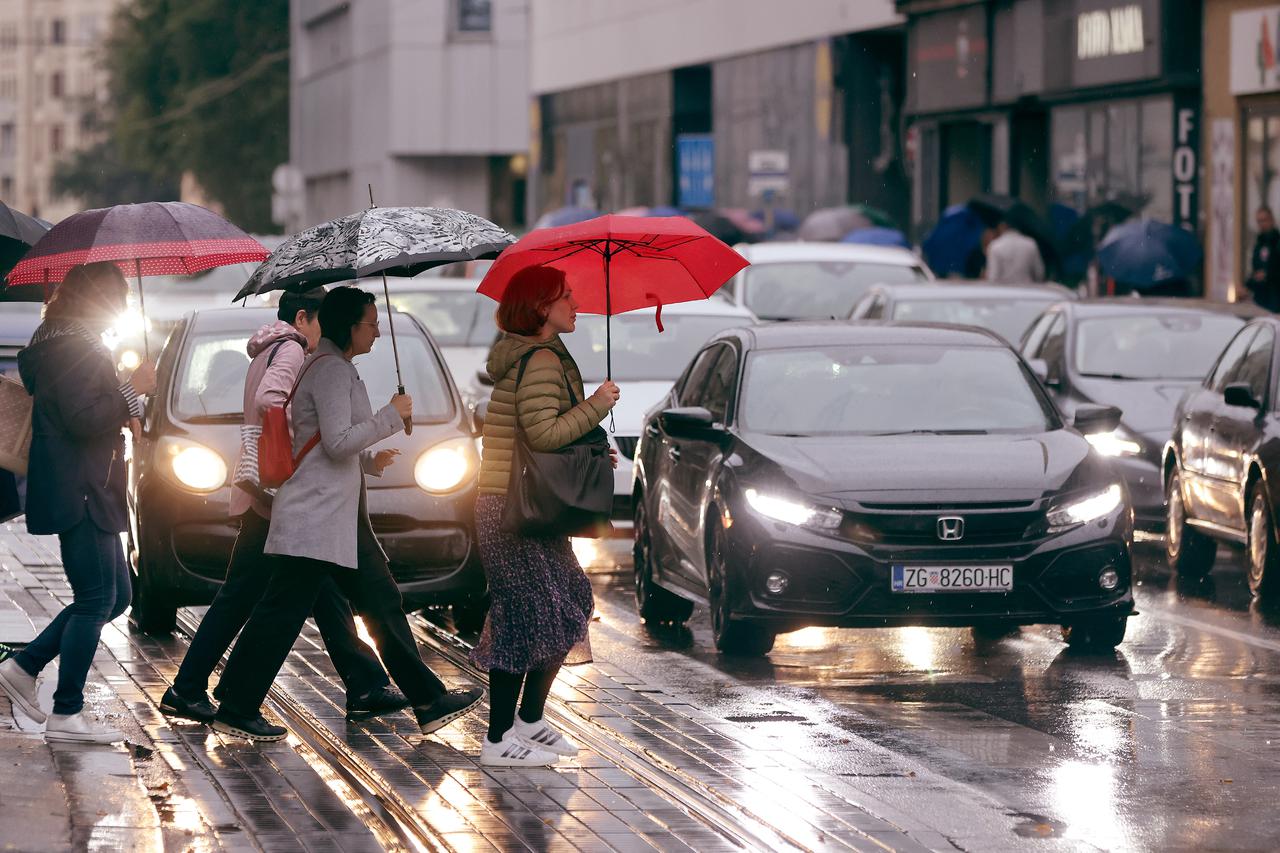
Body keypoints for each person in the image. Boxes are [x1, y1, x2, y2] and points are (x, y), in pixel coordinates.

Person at [210, 287, 481, 741]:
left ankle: (428, 700)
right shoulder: (331, 371)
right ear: (349, 327)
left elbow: (327, 443)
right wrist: (390, 416)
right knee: (283, 613)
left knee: (379, 602)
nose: (377, 330)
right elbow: (336, 441)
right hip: (316, 518)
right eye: (371, 323)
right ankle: (236, 704)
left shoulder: (337, 367)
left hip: (335, 516)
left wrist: (370, 460)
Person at [160, 289, 406, 726]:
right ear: (302, 318)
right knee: (251, 596)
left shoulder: (266, 350)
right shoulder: (291, 349)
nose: (320, 333)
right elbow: (272, 401)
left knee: (314, 591)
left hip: (276, 494)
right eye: (319, 321)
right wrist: (293, 441)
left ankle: (364, 680)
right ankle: (192, 688)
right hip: (280, 493)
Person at [0, 262, 156, 743]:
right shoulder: (70, 346)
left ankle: (23, 668)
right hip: (81, 487)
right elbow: (83, 417)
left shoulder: (76, 342)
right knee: (95, 599)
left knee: (118, 597)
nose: (125, 308)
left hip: (95, 484)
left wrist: (127, 397)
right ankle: (66, 712)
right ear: (98, 301)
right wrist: (135, 390)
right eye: (120, 299)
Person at [473, 265, 620, 767]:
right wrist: (598, 405)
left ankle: (530, 720)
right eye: (566, 297)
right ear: (541, 308)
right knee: (523, 615)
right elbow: (541, 435)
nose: (576, 305)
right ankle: (497, 739)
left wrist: (591, 446)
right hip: (511, 508)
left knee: (570, 600)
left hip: (528, 506)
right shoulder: (538, 359)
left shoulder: (544, 355)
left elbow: (547, 432)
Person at [1249, 206, 1280, 312]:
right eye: (1259, 221)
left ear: (1271, 220)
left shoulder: (1277, 243)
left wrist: (1267, 274)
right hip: (1260, 297)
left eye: (1264, 220)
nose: (1262, 224)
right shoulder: (1259, 243)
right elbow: (1255, 269)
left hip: (1275, 298)